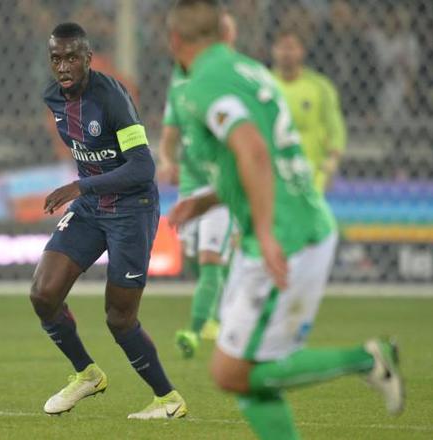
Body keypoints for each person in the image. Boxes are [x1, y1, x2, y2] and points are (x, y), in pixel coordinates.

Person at [165, 1, 404, 439]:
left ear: (175, 40)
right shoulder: (252, 72)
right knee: (240, 374)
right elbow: (262, 157)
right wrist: (210, 201)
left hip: (285, 235)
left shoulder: (204, 83)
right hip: (286, 226)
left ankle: (367, 359)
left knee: (231, 372)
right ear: (224, 34)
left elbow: (254, 150)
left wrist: (266, 231)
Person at [30, 22, 187, 420]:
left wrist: (79, 186)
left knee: (119, 318)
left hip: (132, 209)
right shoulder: (53, 97)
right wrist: (86, 190)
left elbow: (142, 167)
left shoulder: (112, 98)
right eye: (55, 59)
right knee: (43, 295)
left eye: (71, 58)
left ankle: (168, 399)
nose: (62, 66)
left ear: (88, 58)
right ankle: (87, 374)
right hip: (91, 207)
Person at [158, 11, 237, 358]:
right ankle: (224, 302)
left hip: (219, 188)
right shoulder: (179, 80)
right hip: (189, 186)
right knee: (195, 256)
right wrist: (167, 160)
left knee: (209, 257)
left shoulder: (228, 77)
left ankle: (196, 328)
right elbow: (170, 131)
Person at [271, 29, 347, 193]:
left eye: (292, 48)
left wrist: (333, 159)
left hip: (313, 170)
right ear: (274, 51)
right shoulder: (263, 85)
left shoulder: (320, 87)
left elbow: (335, 127)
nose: (287, 53)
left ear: (301, 51)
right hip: (275, 168)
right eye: (282, 47)